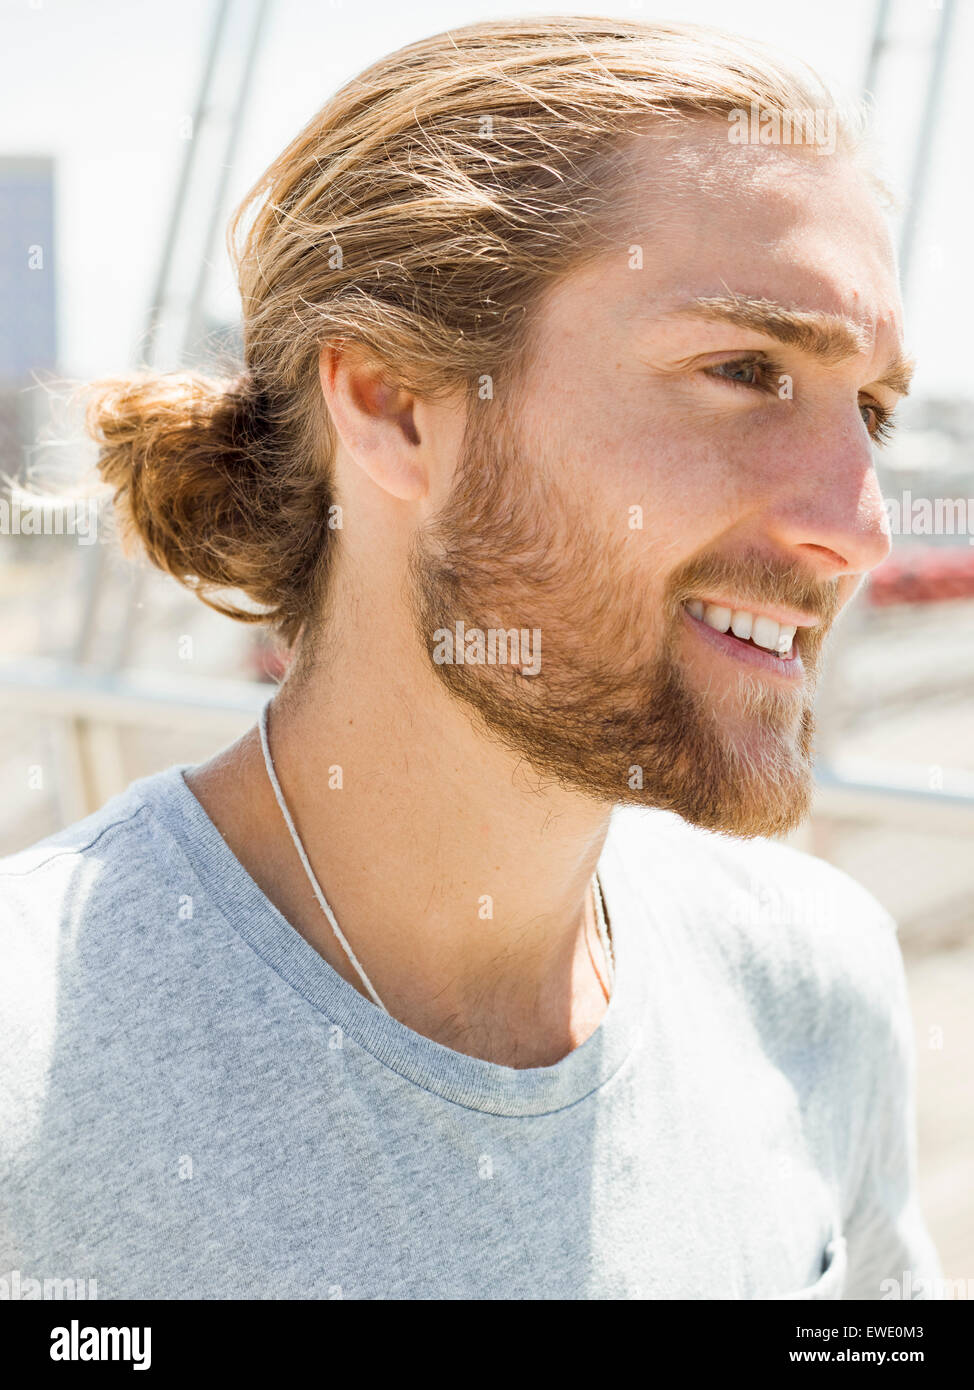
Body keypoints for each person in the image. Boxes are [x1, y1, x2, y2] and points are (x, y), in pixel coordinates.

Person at [0, 16, 942, 1299]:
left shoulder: (811, 981)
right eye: (743, 368)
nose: (860, 528)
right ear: (392, 408)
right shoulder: (30, 1064)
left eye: (868, 412)